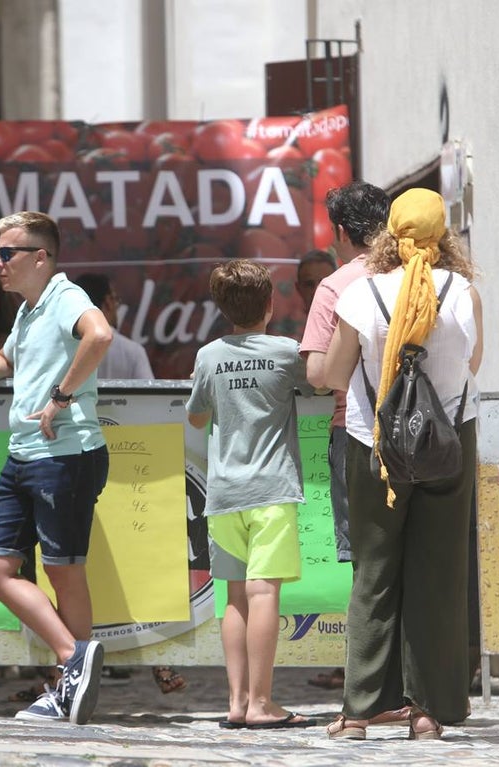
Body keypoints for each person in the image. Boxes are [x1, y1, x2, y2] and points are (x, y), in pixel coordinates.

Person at [321, 188, 482, 741]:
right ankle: (428, 713)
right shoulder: (462, 291)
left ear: (390, 231)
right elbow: (471, 363)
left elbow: (335, 376)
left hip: (375, 447)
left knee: (374, 573)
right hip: (448, 443)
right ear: (443, 237)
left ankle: (360, 711)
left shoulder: (361, 294)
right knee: (439, 576)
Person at [0, 211, 113, 725]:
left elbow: (99, 335)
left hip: (66, 454)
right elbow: (9, 354)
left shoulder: (65, 295)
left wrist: (61, 396)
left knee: (62, 571)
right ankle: (74, 658)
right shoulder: (30, 308)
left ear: (40, 257)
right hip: (25, 453)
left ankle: (67, 682)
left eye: (7, 253)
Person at [186, 259, 317, 730]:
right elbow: (319, 383)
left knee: (235, 598)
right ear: (270, 304)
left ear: (223, 309)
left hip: (223, 493)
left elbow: (197, 417)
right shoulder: (286, 352)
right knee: (264, 594)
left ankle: (238, 703)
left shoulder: (209, 356)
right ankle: (264, 704)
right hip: (271, 489)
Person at [71, 272, 190, 696]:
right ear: (104, 303)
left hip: (78, 461)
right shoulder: (130, 350)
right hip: (132, 468)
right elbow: (149, 406)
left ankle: (63, 667)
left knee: (77, 564)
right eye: (116, 298)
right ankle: (157, 658)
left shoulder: (65, 348)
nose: (118, 306)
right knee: (138, 566)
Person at [299, 181, 391, 694]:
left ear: (340, 232)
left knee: (365, 562)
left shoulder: (336, 286)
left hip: (356, 433)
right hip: (428, 436)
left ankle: (370, 688)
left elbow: (318, 374)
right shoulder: (418, 275)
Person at [72, 273, 154, 380]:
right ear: (108, 302)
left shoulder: (64, 347)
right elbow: (149, 393)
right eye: (116, 299)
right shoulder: (133, 352)